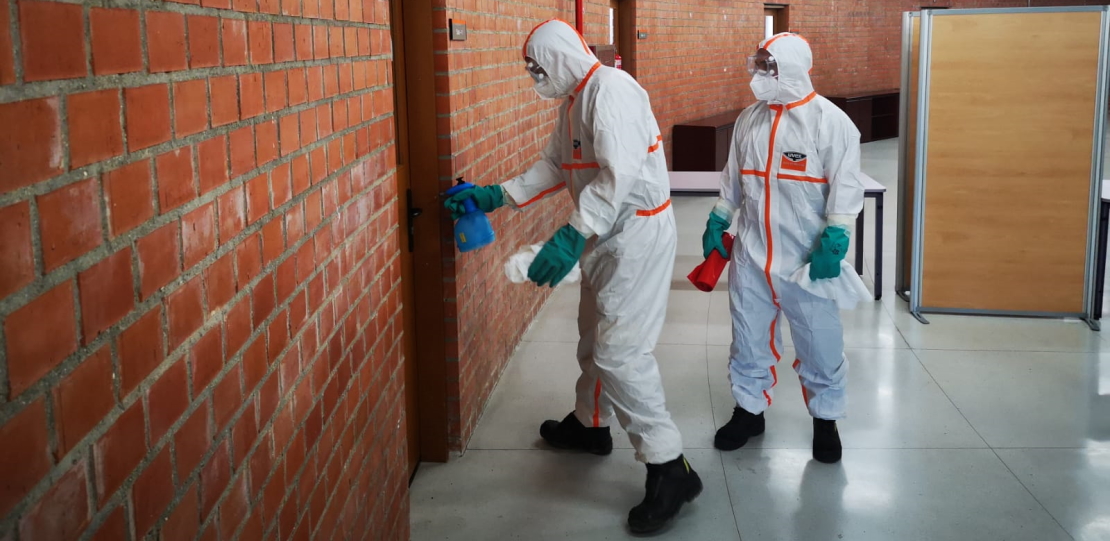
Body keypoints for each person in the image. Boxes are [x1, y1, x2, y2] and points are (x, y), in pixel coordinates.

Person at [444, 18, 701, 534]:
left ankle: (670, 466)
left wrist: (570, 234)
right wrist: (498, 195)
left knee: (620, 350)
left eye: (538, 66)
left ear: (560, 57)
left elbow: (618, 176)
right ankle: (591, 424)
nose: (535, 76)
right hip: (605, 233)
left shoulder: (612, 90)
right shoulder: (575, 101)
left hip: (636, 234)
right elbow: (556, 165)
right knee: (592, 335)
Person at [703, 33, 865, 464]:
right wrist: (719, 217)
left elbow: (846, 186)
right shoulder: (749, 120)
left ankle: (825, 419)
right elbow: (733, 178)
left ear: (791, 67)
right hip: (751, 254)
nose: (759, 73)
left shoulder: (830, 122)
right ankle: (749, 410)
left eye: (767, 65)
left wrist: (837, 235)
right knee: (747, 337)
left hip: (805, 259)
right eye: (757, 64)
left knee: (820, 341)